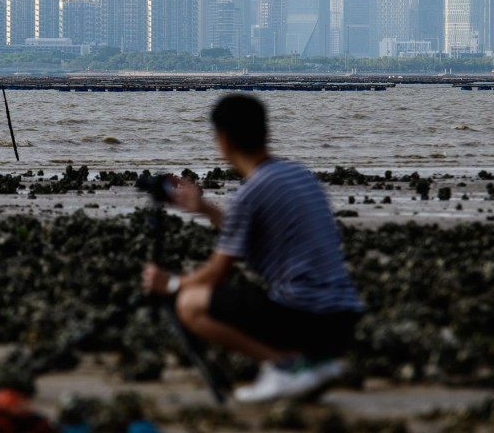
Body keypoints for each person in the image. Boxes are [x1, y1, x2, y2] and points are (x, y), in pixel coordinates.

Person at [141, 94, 364, 402]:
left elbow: (218, 272)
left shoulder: (251, 192)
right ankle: (308, 364)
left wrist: (172, 284)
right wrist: (205, 209)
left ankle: (285, 366)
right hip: (342, 319)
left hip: (309, 318)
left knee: (190, 303)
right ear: (265, 132)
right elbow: (256, 237)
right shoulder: (299, 176)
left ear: (223, 142)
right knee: (240, 296)